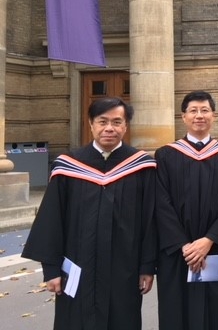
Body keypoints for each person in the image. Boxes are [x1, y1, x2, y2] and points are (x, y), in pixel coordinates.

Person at [22, 97, 157, 330]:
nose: (109, 128)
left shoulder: (141, 166)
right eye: (102, 121)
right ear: (91, 124)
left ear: (125, 126)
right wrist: (51, 270)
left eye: (117, 122)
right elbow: (52, 220)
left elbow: (150, 220)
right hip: (76, 267)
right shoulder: (69, 166)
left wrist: (147, 266)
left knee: (122, 319)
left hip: (125, 268)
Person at [155, 91, 218, 330]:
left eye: (204, 110)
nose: (199, 115)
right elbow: (160, 203)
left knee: (213, 312)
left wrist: (208, 240)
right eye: (193, 111)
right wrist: (184, 245)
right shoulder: (165, 155)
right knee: (176, 312)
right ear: (183, 117)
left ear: (214, 116)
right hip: (177, 252)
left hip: (213, 249)